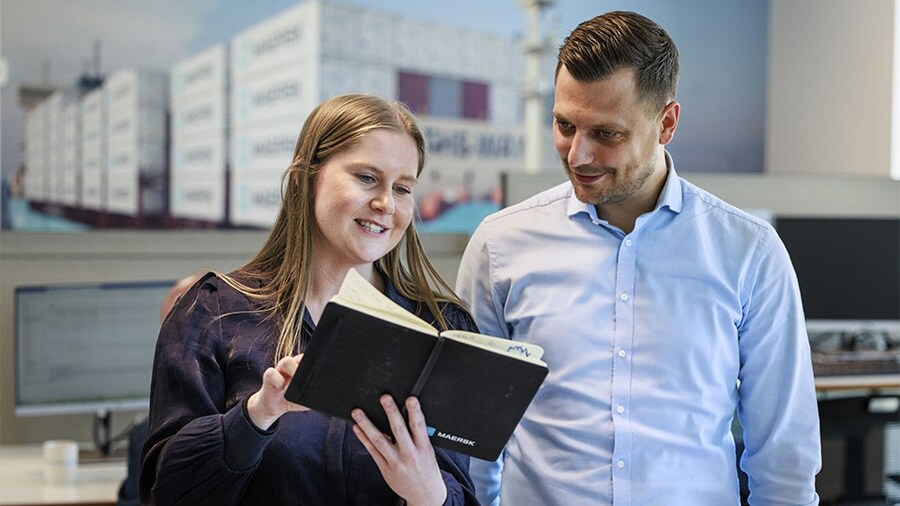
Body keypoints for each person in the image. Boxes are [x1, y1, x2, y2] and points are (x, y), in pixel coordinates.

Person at [456, 11, 821, 505]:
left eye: (607, 134)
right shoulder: (500, 245)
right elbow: (470, 436)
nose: (578, 155)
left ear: (666, 123)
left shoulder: (749, 253)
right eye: (565, 125)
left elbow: (784, 455)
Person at [140, 94, 479, 505]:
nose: (386, 203)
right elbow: (167, 493)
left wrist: (429, 495)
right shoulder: (213, 313)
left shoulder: (444, 328)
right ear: (305, 178)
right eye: (366, 178)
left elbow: (461, 491)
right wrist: (257, 415)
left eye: (403, 188)